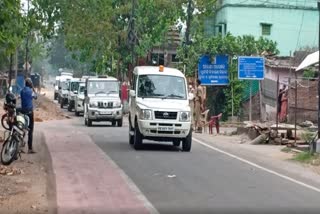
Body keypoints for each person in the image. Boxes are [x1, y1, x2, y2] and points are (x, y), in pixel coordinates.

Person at [20, 78, 38, 154]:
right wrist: (33, 88)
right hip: (30, 112)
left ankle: (20, 145)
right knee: (30, 130)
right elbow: (36, 97)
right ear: (30, 84)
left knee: (22, 128)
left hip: (23, 112)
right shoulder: (31, 92)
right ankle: (30, 148)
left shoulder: (22, 91)